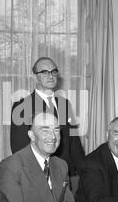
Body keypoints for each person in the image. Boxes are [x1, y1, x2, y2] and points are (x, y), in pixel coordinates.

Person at [0, 112, 79, 202]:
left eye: (56, 130)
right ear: (32, 135)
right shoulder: (10, 167)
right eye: (45, 130)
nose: (53, 136)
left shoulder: (61, 165)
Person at [10, 57, 85, 188]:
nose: (50, 76)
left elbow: (74, 143)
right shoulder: (22, 106)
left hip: (66, 177)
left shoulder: (64, 104)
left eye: (54, 72)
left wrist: (84, 173)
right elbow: (19, 148)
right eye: (45, 72)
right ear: (35, 77)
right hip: (39, 178)